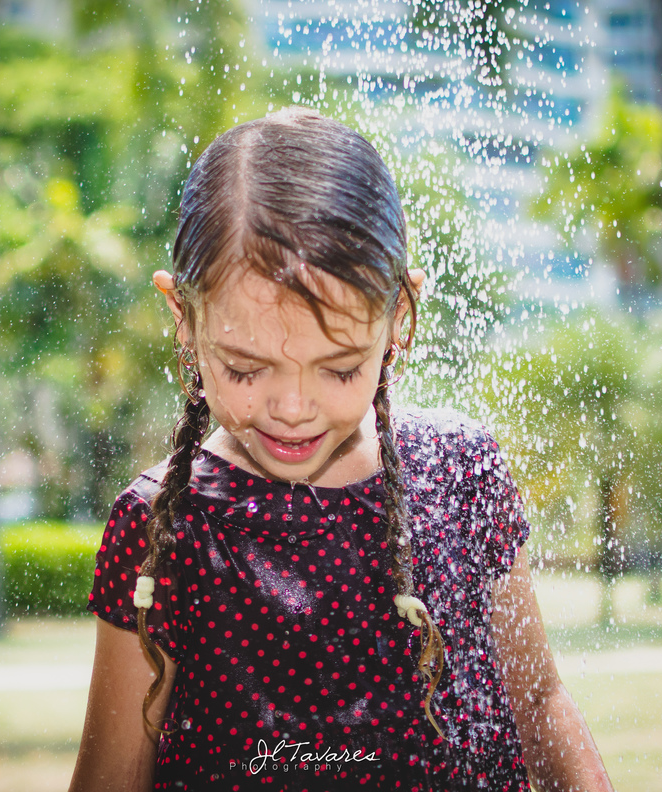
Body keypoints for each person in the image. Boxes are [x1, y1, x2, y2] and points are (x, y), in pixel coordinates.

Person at [68, 108, 613, 792]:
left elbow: (536, 702)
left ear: (399, 317)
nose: (293, 409)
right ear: (183, 316)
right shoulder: (164, 529)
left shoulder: (461, 473)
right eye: (245, 369)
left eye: (340, 368)